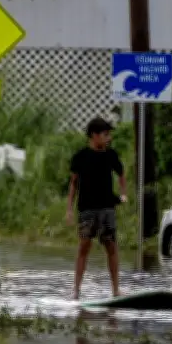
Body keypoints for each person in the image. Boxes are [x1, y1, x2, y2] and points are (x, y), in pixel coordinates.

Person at [66, 117, 128, 300]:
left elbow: (121, 174)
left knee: (111, 246)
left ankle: (116, 290)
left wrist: (123, 194)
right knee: (84, 246)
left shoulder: (111, 155)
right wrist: (69, 208)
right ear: (94, 135)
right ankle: (76, 290)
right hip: (87, 209)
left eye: (109, 135)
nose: (108, 138)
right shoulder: (81, 157)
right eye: (105, 134)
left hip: (107, 208)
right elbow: (73, 183)